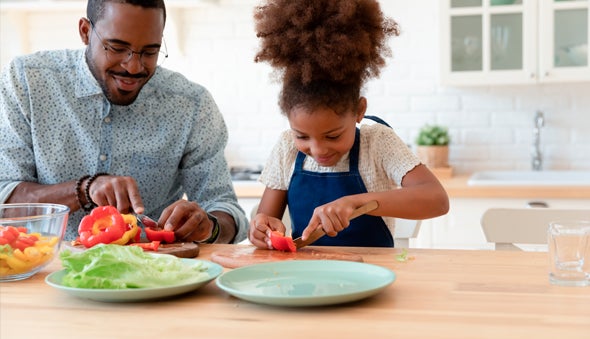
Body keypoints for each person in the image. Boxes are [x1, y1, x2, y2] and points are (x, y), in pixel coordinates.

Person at [0, 0, 248, 244]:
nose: (133, 66)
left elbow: (225, 210)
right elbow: (5, 199)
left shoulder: (191, 104)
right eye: (117, 48)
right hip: (42, 271)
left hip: (153, 274)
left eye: (150, 52)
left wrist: (208, 228)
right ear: (85, 32)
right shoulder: (26, 82)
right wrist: (84, 189)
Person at [248, 0, 449, 248]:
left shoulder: (377, 142)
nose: (318, 149)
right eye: (302, 136)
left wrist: (358, 202)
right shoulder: (286, 148)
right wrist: (261, 229)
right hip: (306, 280)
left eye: (332, 136)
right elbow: (267, 218)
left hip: (373, 275)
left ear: (359, 110)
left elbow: (437, 199)